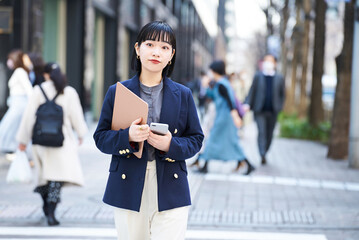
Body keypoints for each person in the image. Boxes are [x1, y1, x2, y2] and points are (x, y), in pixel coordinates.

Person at [93, 21, 203, 240]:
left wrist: (171, 145)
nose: (156, 52)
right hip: (127, 183)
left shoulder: (183, 94)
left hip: (171, 185)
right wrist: (127, 137)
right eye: (150, 44)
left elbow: (196, 139)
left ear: (171, 55)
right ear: (137, 49)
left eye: (164, 47)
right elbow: (101, 138)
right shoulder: (118, 92)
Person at [16, 62, 88, 226]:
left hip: (40, 140)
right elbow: (76, 115)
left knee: (43, 177)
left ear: (46, 75)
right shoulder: (68, 91)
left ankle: (46, 206)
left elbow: (28, 117)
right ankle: (52, 212)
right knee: (56, 178)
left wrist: (22, 141)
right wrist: (81, 133)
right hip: (62, 141)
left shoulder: (37, 90)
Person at [192, 60, 255, 175]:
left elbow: (231, 102)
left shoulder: (221, 84)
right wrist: (206, 86)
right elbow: (212, 96)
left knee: (212, 141)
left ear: (215, 71)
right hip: (224, 117)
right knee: (231, 142)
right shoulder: (222, 83)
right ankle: (248, 165)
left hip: (224, 118)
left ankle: (205, 166)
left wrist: (235, 116)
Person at [243, 54, 285, 165]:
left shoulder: (280, 77)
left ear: (275, 63)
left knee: (269, 133)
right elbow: (252, 91)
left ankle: (265, 151)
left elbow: (282, 94)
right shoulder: (258, 76)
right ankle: (262, 154)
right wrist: (247, 103)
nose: (268, 63)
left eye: (270, 61)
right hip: (259, 110)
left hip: (273, 110)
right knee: (261, 132)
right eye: (266, 60)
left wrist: (280, 106)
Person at [0, 50, 33, 158]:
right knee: (14, 126)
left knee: (9, 125)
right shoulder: (19, 71)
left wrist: (32, 103)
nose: (8, 62)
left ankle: (17, 149)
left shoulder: (20, 71)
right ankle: (16, 150)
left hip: (19, 104)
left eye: (10, 59)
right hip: (16, 103)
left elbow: (28, 89)